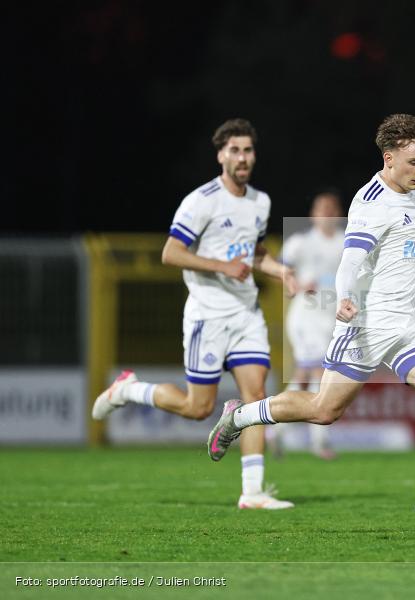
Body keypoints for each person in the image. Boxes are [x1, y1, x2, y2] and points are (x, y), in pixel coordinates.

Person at [205, 113, 415, 523]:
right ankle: (239, 416)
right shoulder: (371, 204)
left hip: (405, 327)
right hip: (365, 328)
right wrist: (345, 299)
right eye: (414, 163)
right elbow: (350, 260)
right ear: (389, 158)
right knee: (324, 410)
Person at [92, 118, 299, 510]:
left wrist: (281, 270)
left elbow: (253, 254)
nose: (243, 157)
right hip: (208, 316)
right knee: (198, 408)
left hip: (246, 314)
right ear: (221, 155)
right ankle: (128, 389)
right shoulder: (201, 200)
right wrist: (222, 267)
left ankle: (252, 492)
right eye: (235, 150)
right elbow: (171, 252)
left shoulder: (260, 201)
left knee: (254, 397)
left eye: (248, 150)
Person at [276, 190, 345, 459]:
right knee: (320, 373)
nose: (327, 213)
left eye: (331, 208)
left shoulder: (345, 242)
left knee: (303, 378)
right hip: (305, 317)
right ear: (313, 214)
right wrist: (296, 285)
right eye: (321, 209)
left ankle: (275, 430)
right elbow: (280, 270)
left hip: (331, 318)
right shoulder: (300, 242)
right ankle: (320, 441)